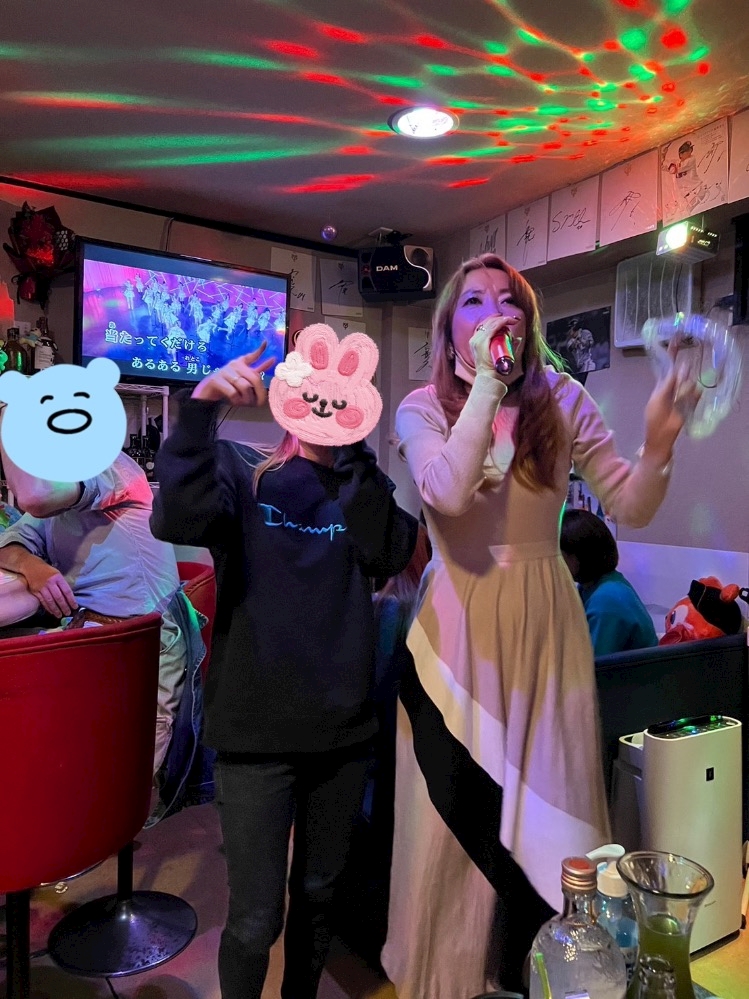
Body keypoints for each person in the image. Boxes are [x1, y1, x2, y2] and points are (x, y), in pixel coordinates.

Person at [382, 252, 700, 998]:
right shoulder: (421, 406)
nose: (495, 311)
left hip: (544, 628)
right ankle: (443, 982)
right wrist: (486, 387)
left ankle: (551, 980)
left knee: (557, 827)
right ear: (449, 328)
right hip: (452, 637)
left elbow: (628, 503)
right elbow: (445, 493)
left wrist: (658, 443)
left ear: (527, 324)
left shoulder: (561, 396)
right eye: (474, 301)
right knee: (448, 834)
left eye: (509, 300)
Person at [149, 344, 418, 999]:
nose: (326, 405)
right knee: (254, 918)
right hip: (254, 739)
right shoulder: (243, 477)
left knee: (320, 897)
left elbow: (391, 550)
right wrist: (199, 409)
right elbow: (174, 516)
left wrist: (355, 451)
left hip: (341, 737)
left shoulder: (361, 490)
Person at [0, 429, 192, 775]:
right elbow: (10, 543)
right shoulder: (57, 493)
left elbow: (34, 498)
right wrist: (31, 565)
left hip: (138, 647)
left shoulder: (109, 465)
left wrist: (6, 416)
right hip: (89, 638)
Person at [560, 508, 658, 657]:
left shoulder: (606, 600)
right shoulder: (596, 586)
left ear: (581, 554)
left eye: (560, 555)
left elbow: (591, 664)